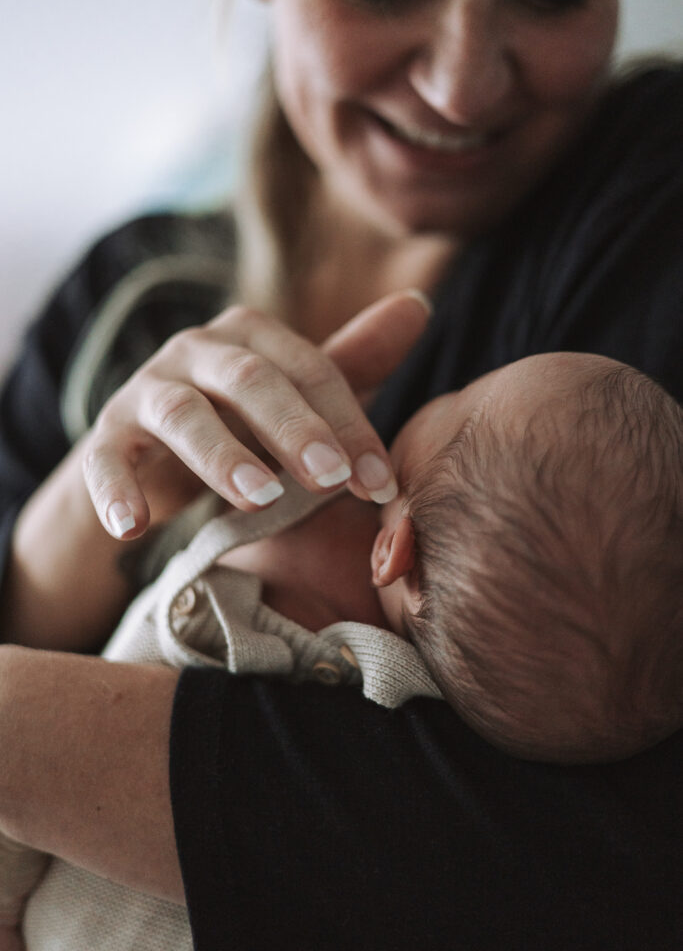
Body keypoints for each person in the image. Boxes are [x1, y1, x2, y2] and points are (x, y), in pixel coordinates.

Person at [0, 0, 681, 948]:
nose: (459, 88)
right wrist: (82, 518)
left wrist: (22, 734)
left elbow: (621, 855)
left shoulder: (652, 201)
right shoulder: (127, 296)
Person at [3, 350, 683, 948]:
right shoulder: (447, 741)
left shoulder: (300, 599)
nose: (438, 393)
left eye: (458, 402)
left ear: (393, 551)